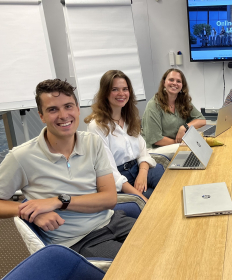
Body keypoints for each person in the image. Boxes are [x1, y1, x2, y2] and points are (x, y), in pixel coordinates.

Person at [0, 79, 135, 259]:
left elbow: (109, 199)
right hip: (79, 240)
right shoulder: (21, 157)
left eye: (68, 106)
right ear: (41, 116)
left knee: (167, 241)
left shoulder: (92, 143)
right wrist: (30, 212)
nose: (63, 115)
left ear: (78, 109)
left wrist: (59, 201)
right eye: (53, 109)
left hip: (113, 221)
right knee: (141, 262)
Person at [85, 70, 164, 203]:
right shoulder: (97, 127)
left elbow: (143, 151)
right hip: (117, 179)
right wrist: (142, 199)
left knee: (166, 180)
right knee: (149, 199)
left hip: (137, 169)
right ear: (105, 93)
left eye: (125, 89)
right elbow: (110, 172)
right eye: (115, 89)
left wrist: (142, 173)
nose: (121, 94)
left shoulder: (129, 118)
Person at [142, 68, 206, 155]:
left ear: (182, 85)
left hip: (175, 144)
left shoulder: (183, 101)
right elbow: (156, 139)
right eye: (171, 80)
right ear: (164, 83)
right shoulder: (153, 105)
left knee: (203, 143)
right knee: (191, 149)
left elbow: (202, 120)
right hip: (155, 149)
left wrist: (184, 127)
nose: (175, 83)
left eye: (178, 81)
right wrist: (180, 143)